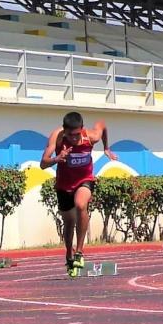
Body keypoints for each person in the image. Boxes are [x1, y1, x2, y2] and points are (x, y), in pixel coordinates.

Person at [40, 111, 117, 277]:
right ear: (64, 130)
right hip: (64, 185)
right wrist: (57, 158)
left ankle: (80, 252)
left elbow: (102, 124)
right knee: (68, 223)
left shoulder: (91, 136)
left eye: (77, 135)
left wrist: (106, 147)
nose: (74, 139)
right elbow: (43, 163)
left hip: (84, 180)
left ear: (82, 129)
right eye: (70, 135)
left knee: (81, 204)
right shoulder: (57, 137)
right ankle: (69, 252)